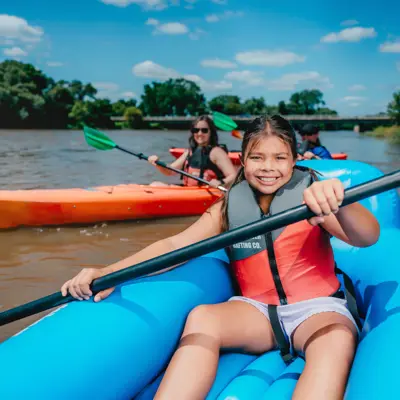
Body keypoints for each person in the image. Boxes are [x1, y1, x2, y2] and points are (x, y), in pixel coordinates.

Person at [61, 115, 380, 400]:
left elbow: (366, 237)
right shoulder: (228, 207)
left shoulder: (312, 194)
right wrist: (111, 272)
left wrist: (341, 201)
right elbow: (175, 244)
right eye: (257, 157)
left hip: (317, 309)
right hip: (256, 311)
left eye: (280, 158)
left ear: (294, 159)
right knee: (203, 317)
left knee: (336, 339)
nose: (268, 167)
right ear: (242, 159)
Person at [147, 115, 237, 189]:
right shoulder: (189, 152)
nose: (200, 133)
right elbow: (170, 172)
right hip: (189, 191)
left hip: (208, 194)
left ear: (211, 132)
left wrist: (220, 182)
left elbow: (233, 175)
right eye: (196, 130)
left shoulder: (217, 152)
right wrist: (158, 163)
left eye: (204, 130)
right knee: (155, 185)